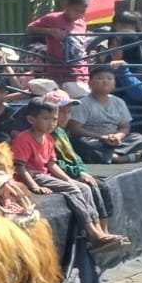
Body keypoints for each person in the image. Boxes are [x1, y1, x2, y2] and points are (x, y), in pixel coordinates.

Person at [12, 100, 125, 249]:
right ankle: (91, 232)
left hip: (45, 175)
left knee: (84, 188)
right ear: (31, 119)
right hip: (33, 176)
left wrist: (68, 179)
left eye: (54, 119)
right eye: (46, 119)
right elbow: (20, 167)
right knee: (72, 189)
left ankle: (99, 229)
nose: (51, 123)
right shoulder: (23, 139)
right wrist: (34, 186)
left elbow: (51, 164)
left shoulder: (49, 139)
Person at [49, 92, 120, 237]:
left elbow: (75, 157)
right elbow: (54, 163)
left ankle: (105, 229)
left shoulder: (62, 132)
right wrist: (77, 173)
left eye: (68, 112)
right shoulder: (47, 136)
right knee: (91, 187)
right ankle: (95, 233)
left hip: (75, 172)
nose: (66, 116)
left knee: (102, 186)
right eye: (61, 112)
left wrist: (82, 170)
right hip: (60, 174)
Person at [68, 65, 142, 163]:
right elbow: (75, 129)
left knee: (138, 138)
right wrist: (101, 137)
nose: (105, 81)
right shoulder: (83, 103)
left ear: (114, 83)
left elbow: (125, 126)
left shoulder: (119, 102)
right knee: (79, 142)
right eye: (100, 78)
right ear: (90, 83)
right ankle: (119, 158)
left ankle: (107, 156)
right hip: (95, 140)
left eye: (109, 78)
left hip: (114, 141)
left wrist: (118, 136)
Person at [27, 0, 91, 85]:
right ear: (66, 6)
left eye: (82, 12)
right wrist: (50, 31)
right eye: (75, 10)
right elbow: (30, 28)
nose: (78, 14)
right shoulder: (53, 18)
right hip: (60, 73)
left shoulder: (82, 23)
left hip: (81, 72)